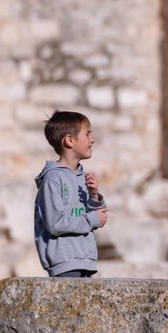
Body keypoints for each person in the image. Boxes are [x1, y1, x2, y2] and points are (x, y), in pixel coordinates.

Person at [34, 110, 108, 277]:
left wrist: (94, 196)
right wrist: (93, 218)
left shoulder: (82, 176)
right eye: (87, 134)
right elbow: (56, 223)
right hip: (64, 262)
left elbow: (92, 219)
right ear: (69, 140)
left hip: (85, 259)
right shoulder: (52, 179)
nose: (92, 140)